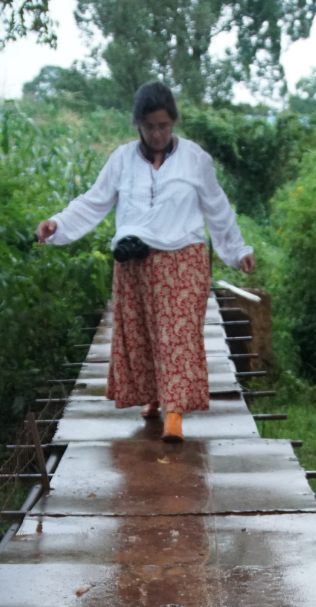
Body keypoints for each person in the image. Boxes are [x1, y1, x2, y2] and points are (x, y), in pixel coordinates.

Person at [36, 81, 255, 443]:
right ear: (138, 123)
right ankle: (153, 398)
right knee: (141, 335)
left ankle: (175, 414)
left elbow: (217, 208)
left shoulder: (195, 159)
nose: (157, 134)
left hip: (183, 260)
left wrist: (237, 250)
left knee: (178, 336)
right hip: (135, 262)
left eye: (164, 126)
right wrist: (56, 224)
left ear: (174, 123)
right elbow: (94, 201)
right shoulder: (122, 159)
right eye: (150, 126)